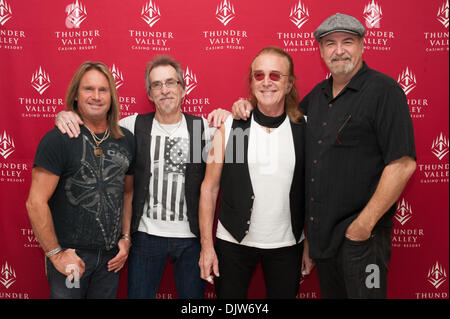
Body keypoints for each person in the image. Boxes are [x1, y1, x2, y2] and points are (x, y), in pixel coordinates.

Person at [229, 14, 417, 299]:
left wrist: (362, 228)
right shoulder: (316, 97)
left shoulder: (385, 91)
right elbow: (277, 117)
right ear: (321, 51)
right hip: (325, 243)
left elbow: (402, 164)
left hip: (364, 242)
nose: (338, 50)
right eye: (330, 43)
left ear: (362, 46)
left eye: (347, 42)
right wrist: (244, 106)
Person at [54, 55, 216, 299]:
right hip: (145, 236)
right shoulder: (132, 126)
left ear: (183, 89)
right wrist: (66, 115)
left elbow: (241, 142)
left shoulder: (202, 129)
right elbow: (93, 124)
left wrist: (231, 115)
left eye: (171, 82)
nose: (164, 90)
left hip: (191, 239)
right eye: (156, 85)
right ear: (149, 94)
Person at [199, 46, 313, 299]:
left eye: (275, 75)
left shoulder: (304, 129)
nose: (266, 82)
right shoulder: (231, 126)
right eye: (259, 75)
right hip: (233, 244)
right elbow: (209, 188)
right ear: (251, 83)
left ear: (289, 83)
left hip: (287, 246)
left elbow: (314, 192)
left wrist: (310, 243)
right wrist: (207, 247)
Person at [26, 61, 135, 299]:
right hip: (71, 259)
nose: (96, 96)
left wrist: (126, 238)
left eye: (103, 90)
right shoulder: (58, 139)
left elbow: (126, 193)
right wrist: (56, 254)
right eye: (88, 89)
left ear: (112, 96)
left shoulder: (126, 139)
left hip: (110, 260)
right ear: (76, 95)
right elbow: (35, 203)